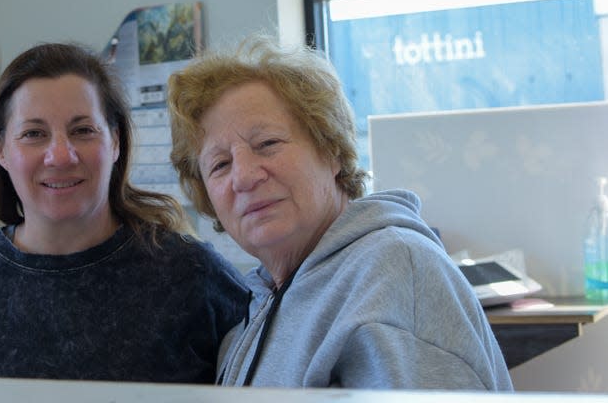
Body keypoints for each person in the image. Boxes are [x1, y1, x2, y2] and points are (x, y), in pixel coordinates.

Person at [166, 34, 513, 391]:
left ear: (331, 149)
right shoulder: (258, 306)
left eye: (267, 144)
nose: (244, 176)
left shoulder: (392, 273)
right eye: (220, 165)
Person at [0, 42, 249, 381]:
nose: (61, 156)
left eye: (83, 130)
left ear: (114, 141)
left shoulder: (193, 276)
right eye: (34, 133)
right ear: (1, 149)